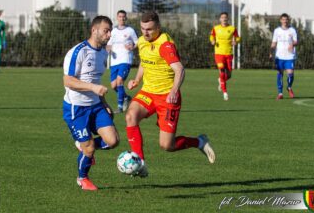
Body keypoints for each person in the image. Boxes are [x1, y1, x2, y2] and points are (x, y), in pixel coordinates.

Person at [125, 11, 216, 178]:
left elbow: (180, 69)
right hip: (148, 92)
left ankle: (199, 142)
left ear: (158, 27)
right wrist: (137, 80)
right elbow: (145, 62)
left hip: (167, 96)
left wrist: (174, 91)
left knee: (167, 145)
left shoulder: (166, 45)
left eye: (150, 29)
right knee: (130, 116)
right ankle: (140, 163)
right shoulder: (142, 41)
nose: (145, 32)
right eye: (143, 28)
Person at [63, 16, 119, 191]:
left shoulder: (103, 53)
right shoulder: (78, 52)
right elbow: (68, 81)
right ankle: (82, 178)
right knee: (89, 150)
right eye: (106, 31)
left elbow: (96, 79)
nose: (109, 34)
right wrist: (93, 88)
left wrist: (104, 103)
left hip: (96, 106)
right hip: (76, 108)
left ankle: (85, 145)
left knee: (113, 141)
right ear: (94, 30)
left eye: (110, 31)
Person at [106, 10, 138, 113]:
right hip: (114, 62)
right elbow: (109, 44)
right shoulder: (113, 31)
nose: (122, 18)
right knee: (113, 86)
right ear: (117, 17)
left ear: (126, 18)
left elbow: (137, 42)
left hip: (125, 60)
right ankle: (126, 98)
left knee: (120, 81)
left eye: (123, 17)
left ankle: (119, 107)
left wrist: (133, 46)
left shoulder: (130, 30)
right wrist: (108, 48)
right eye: (120, 16)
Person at [209, 12, 240, 101]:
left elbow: (237, 37)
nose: (224, 19)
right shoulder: (216, 28)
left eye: (225, 17)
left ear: (228, 19)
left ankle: (221, 81)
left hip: (229, 53)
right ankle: (225, 93)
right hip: (219, 53)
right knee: (222, 72)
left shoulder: (232, 28)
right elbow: (211, 36)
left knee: (229, 75)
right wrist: (212, 41)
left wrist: (236, 41)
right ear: (220, 19)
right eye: (222, 17)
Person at [269, 13, 298, 100]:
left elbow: (296, 41)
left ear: (288, 20)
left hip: (289, 56)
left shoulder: (292, 30)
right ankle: (280, 93)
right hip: (279, 56)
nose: (285, 21)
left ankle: (289, 87)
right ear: (281, 20)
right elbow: (274, 43)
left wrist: (292, 44)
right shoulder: (277, 30)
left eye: (286, 19)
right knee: (280, 73)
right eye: (283, 19)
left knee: (290, 73)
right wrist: (270, 52)